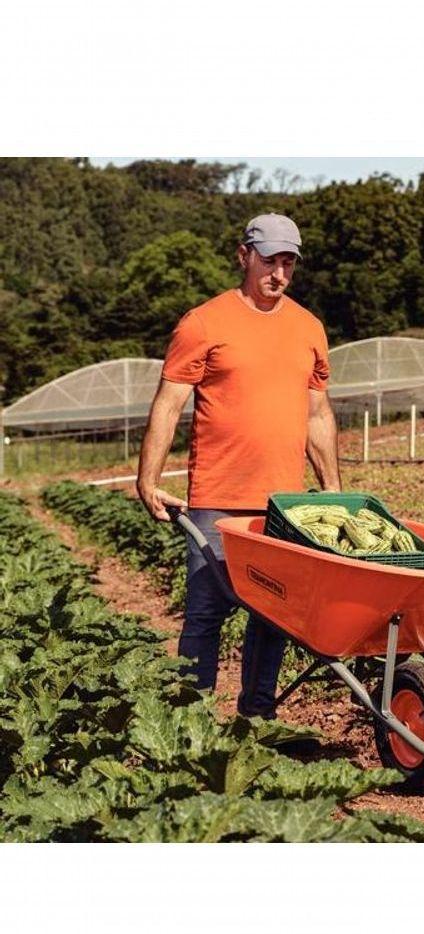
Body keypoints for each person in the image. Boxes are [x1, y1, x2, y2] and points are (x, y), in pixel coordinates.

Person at [136, 213, 342, 718]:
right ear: (243, 255)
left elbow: (317, 414)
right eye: (269, 260)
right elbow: (168, 404)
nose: (278, 273)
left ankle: (258, 717)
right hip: (216, 498)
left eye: (288, 262)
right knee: (206, 614)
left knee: (272, 615)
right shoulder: (204, 323)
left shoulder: (308, 327)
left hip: (282, 503)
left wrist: (334, 488)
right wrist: (148, 479)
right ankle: (191, 723)